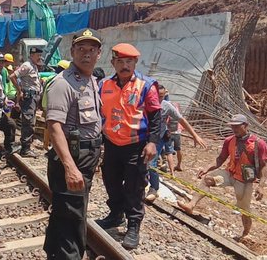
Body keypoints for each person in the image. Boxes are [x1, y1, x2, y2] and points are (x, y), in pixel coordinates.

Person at [43, 29, 103, 260]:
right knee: (73, 217)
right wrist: (70, 166)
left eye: (91, 50)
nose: (86, 54)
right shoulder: (63, 83)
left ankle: (54, 254)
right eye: (81, 49)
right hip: (72, 156)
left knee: (66, 213)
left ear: (99, 53)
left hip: (86, 156)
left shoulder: (91, 81)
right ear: (72, 52)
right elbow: (54, 126)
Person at [97, 43, 161, 249]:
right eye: (120, 62)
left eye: (129, 62)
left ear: (135, 62)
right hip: (111, 145)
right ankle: (116, 215)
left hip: (136, 146)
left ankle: (134, 225)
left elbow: (156, 117)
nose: (125, 66)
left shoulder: (146, 85)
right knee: (111, 182)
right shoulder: (104, 84)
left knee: (134, 187)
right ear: (113, 62)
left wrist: (153, 143)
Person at [178, 114, 267, 240]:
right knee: (207, 180)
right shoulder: (229, 141)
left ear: (245, 126)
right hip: (229, 173)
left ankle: (245, 234)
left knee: (244, 209)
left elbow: (264, 166)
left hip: (244, 180)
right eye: (232, 126)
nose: (234, 129)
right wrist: (207, 168)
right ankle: (191, 205)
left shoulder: (259, 144)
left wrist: (261, 186)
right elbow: (220, 159)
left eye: (237, 126)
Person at [145, 85, 207, 202]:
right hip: (144, 136)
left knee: (152, 163)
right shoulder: (145, 102)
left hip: (158, 138)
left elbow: (182, 120)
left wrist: (195, 135)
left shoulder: (167, 106)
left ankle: (154, 189)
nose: (159, 99)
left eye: (162, 96)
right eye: (157, 96)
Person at [9, 47, 44, 157]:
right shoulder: (27, 65)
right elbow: (13, 76)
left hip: (33, 97)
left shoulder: (33, 66)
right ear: (32, 55)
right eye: (38, 55)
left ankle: (27, 145)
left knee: (31, 121)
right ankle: (25, 148)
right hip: (29, 97)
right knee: (28, 122)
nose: (40, 57)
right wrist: (19, 91)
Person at [0, 52, 19, 158]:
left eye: (2, 62)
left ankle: (8, 148)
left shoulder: (0, 76)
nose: (1, 65)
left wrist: (5, 100)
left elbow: (1, 93)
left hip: (0, 110)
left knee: (10, 125)